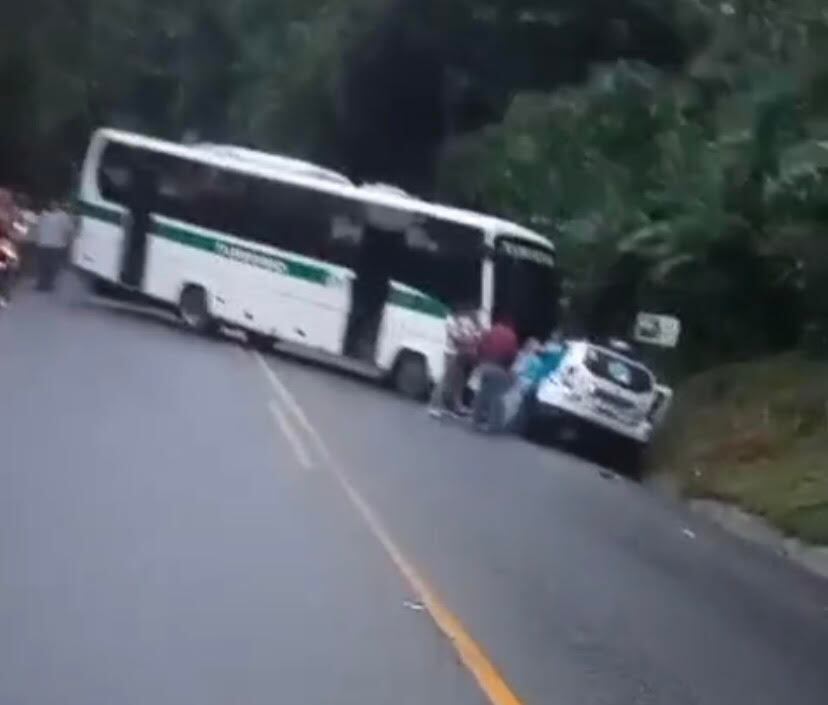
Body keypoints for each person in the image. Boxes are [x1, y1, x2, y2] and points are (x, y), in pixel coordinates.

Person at [428, 304, 482, 418]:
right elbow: (455, 336)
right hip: (451, 352)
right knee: (446, 380)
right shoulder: (451, 319)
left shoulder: (467, 319)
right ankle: (434, 406)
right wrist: (469, 340)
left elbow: (477, 333)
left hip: (461, 353)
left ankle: (449, 407)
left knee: (455, 381)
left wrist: (471, 338)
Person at [470, 318, 519, 433]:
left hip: (485, 366)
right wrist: (507, 368)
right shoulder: (512, 336)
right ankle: (492, 425)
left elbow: (480, 345)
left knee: (482, 393)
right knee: (496, 396)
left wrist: (480, 361)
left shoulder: (491, 331)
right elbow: (512, 355)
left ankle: (476, 420)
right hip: (499, 368)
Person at [35, 201, 75, 291]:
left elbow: (69, 230)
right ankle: (44, 283)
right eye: (52, 204)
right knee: (45, 266)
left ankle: (46, 284)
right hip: (48, 244)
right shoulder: (44, 215)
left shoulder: (61, 216)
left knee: (49, 266)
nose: (52, 205)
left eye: (54, 204)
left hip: (51, 245)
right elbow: (69, 230)